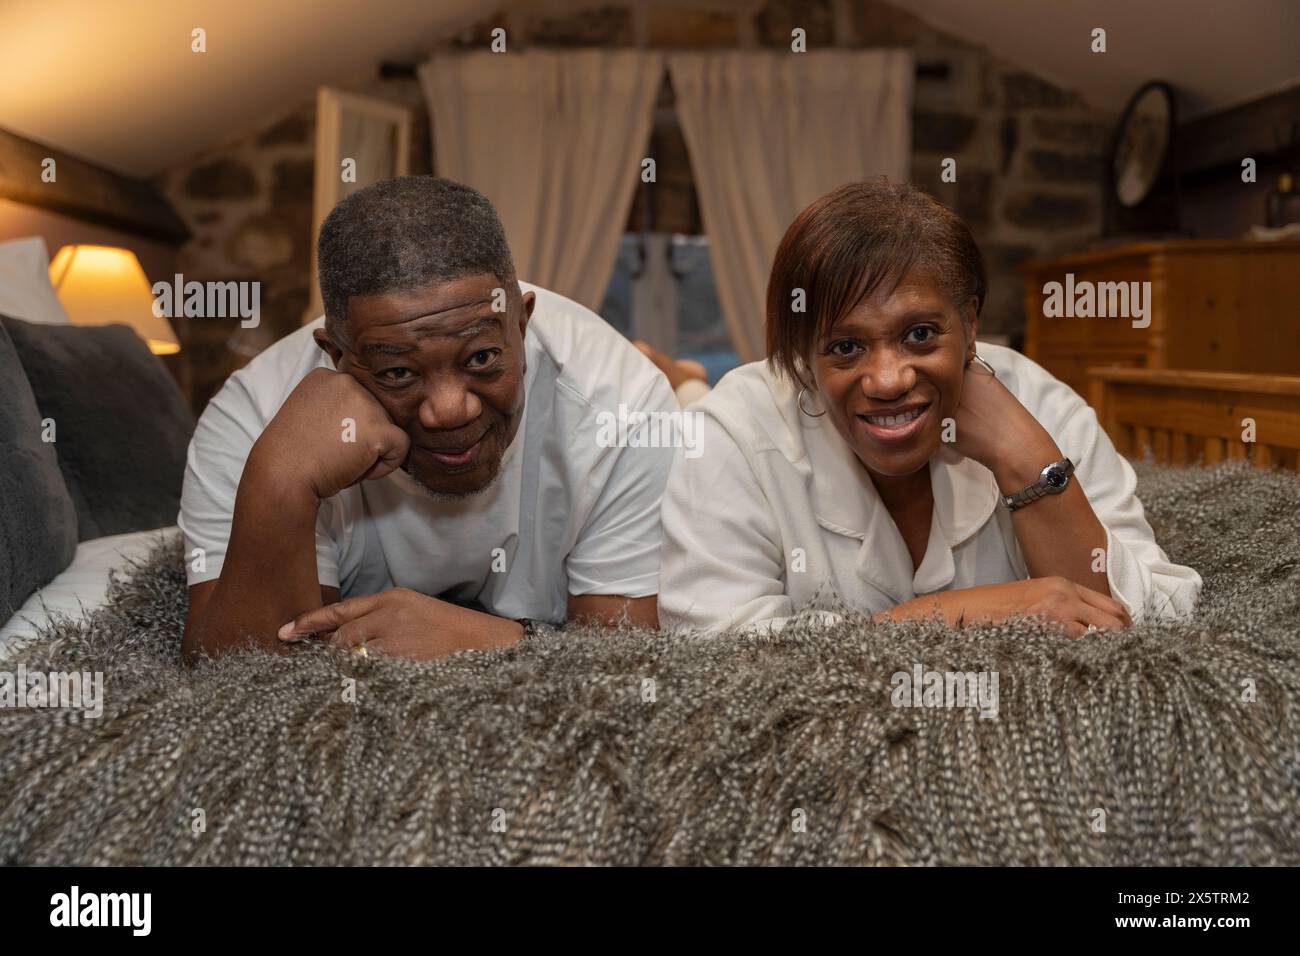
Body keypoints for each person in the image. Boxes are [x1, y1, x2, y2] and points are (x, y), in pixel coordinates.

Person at [657, 180, 1202, 635]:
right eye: (845, 347)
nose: (889, 381)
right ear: (803, 354)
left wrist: (1026, 459)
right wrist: (955, 615)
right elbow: (711, 646)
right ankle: (682, 381)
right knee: (688, 405)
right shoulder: (731, 428)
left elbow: (1159, 619)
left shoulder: (1042, 403)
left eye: (920, 334)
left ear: (970, 324)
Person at [180, 176, 677, 661]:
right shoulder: (250, 416)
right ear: (336, 355)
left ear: (522, 324)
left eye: (481, 358)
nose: (448, 410)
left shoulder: (626, 408)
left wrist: (497, 642)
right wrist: (281, 482)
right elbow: (231, 683)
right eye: (398, 371)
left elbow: (625, 667)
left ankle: (687, 376)